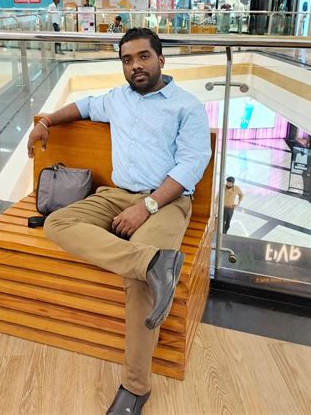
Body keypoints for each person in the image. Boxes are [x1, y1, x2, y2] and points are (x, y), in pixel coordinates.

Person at [27, 28, 211, 414]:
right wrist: (45, 122)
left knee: (139, 283)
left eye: (143, 57)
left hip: (167, 201)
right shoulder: (117, 99)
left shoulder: (187, 107)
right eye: (127, 60)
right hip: (115, 195)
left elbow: (190, 165)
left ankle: (136, 386)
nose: (135, 66)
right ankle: (153, 263)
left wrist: (148, 206)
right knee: (56, 224)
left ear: (161, 59)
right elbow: (82, 107)